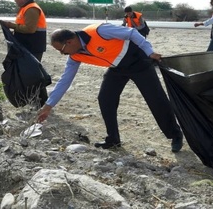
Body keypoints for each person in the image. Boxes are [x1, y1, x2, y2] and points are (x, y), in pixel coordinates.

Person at [37, 23, 183, 152]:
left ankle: (175, 135)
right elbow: (65, 81)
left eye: (62, 50)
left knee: (155, 99)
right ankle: (113, 140)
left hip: (138, 62)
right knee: (105, 99)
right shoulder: (74, 56)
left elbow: (131, 32)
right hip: (117, 68)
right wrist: (49, 106)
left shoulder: (99, 30)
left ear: (69, 41)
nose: (63, 54)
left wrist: (149, 51)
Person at [0, 0, 48, 108]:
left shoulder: (31, 9)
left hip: (33, 48)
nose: (14, 0)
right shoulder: (24, 9)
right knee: (31, 75)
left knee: (33, 76)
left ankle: (42, 102)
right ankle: (39, 102)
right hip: (28, 47)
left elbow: (30, 29)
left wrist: (11, 25)